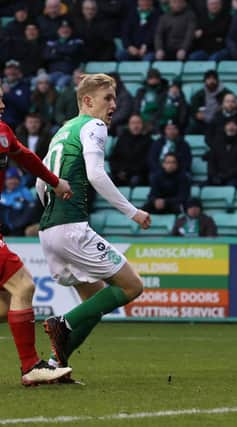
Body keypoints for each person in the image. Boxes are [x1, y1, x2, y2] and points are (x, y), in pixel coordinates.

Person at [36, 73, 151, 377]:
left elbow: (39, 181)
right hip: (72, 227)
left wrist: (52, 212)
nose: (114, 104)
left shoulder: (63, 130)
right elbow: (96, 175)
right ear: (87, 101)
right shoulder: (93, 125)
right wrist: (133, 212)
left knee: (96, 300)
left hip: (49, 230)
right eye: (107, 98)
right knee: (132, 285)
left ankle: (56, 364)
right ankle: (63, 322)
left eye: (115, 98)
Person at [0, 86, 73, 385]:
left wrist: (54, 181)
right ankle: (30, 368)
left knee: (7, 302)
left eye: (4, 97)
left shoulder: (3, 132)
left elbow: (24, 156)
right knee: (23, 285)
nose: (3, 104)